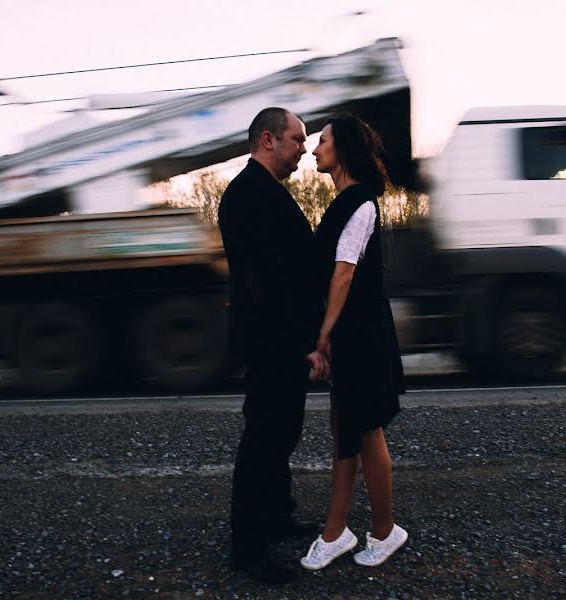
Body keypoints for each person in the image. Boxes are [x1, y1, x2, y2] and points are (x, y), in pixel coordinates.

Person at [217, 107, 327, 584]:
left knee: (281, 435)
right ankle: (249, 548)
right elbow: (266, 283)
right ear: (268, 139)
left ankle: (277, 518)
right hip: (271, 341)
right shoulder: (249, 196)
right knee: (263, 441)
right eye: (297, 139)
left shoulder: (264, 192)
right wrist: (302, 341)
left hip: (278, 337)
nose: (304, 147)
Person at [300, 114, 407, 571]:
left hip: (360, 334)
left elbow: (343, 275)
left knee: (365, 430)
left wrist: (321, 335)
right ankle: (337, 529)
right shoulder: (343, 203)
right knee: (346, 428)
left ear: (341, 148)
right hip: (351, 332)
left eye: (321, 141)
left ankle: (383, 532)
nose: (313, 149)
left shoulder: (361, 203)